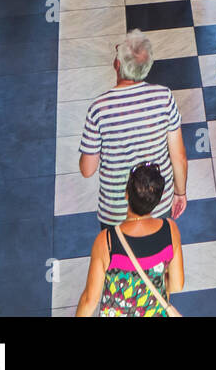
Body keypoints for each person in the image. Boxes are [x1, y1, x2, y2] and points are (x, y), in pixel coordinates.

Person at [79, 31, 188, 229]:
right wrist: (180, 193)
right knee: (158, 255)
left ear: (117, 65)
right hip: (157, 202)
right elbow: (178, 157)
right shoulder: (164, 97)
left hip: (116, 211)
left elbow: (87, 170)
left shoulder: (99, 108)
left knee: (119, 258)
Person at [75, 164, 185, 317]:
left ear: (127, 194)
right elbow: (176, 285)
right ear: (157, 201)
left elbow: (89, 300)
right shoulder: (170, 230)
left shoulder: (107, 241)